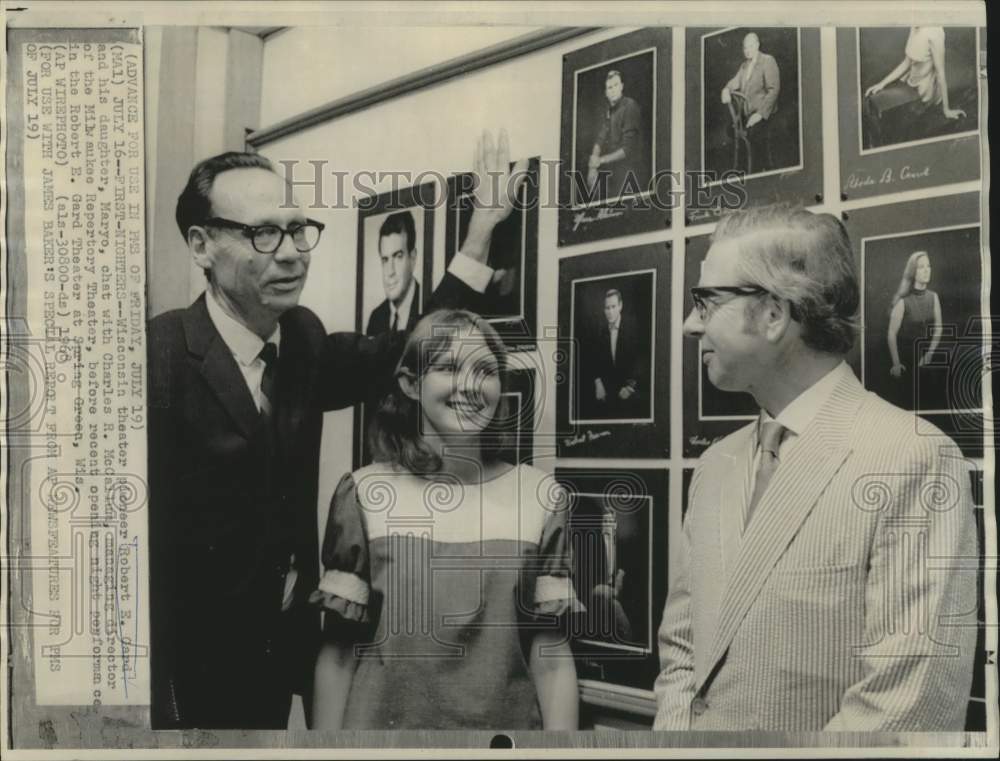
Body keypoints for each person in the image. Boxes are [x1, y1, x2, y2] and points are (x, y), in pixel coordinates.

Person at [147, 131, 526, 729]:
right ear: (201, 245)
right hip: (179, 679)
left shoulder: (302, 339)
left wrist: (480, 231)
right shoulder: (157, 355)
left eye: (297, 230)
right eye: (262, 233)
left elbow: (403, 352)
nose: (292, 253)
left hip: (276, 667)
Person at [654, 205, 976, 731]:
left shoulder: (913, 459)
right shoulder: (716, 465)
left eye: (706, 302)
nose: (691, 325)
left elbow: (906, 705)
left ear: (774, 315)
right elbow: (683, 654)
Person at [311, 309, 581, 730]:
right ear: (410, 384)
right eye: (449, 367)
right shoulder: (363, 493)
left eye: (485, 370)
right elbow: (339, 655)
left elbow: (551, 658)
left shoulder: (539, 497)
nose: (470, 385)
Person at [864, 26, 966, 147]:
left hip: (924, 90)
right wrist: (882, 83)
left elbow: (941, 74)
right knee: (874, 106)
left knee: (892, 125)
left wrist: (946, 110)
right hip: (909, 83)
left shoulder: (935, 33)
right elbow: (907, 62)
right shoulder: (915, 27)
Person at [887, 250, 943, 410]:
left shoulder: (934, 297)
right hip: (908, 361)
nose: (926, 270)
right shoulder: (903, 302)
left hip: (929, 357)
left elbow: (939, 328)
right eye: (921, 267)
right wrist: (896, 364)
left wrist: (930, 354)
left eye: (928, 266)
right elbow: (891, 334)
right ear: (913, 272)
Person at [721, 32, 780, 173]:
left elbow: (774, 90)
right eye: (745, 47)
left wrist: (760, 114)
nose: (747, 51)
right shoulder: (744, 65)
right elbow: (735, 81)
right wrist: (726, 89)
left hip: (765, 113)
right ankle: (744, 167)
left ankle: (761, 170)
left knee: (754, 134)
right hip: (748, 113)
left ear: (757, 45)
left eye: (750, 46)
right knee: (730, 129)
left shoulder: (767, 61)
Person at [587, 69, 646, 200]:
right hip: (614, 172)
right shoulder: (610, 111)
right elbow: (600, 139)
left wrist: (599, 161)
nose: (613, 90)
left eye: (616, 85)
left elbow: (628, 150)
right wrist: (593, 163)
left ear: (621, 86)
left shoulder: (630, 106)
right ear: (606, 92)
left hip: (631, 173)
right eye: (610, 87)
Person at [588, 289, 644, 420]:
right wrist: (598, 382)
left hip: (631, 392)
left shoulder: (633, 328)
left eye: (613, 307)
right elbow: (593, 359)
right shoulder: (599, 330)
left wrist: (630, 387)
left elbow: (642, 360)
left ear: (620, 306)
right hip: (607, 393)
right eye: (607, 308)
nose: (610, 312)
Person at [365, 210, 421, 336]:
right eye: (385, 260)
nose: (390, 271)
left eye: (398, 256)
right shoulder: (376, 318)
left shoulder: (429, 308)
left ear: (413, 258)